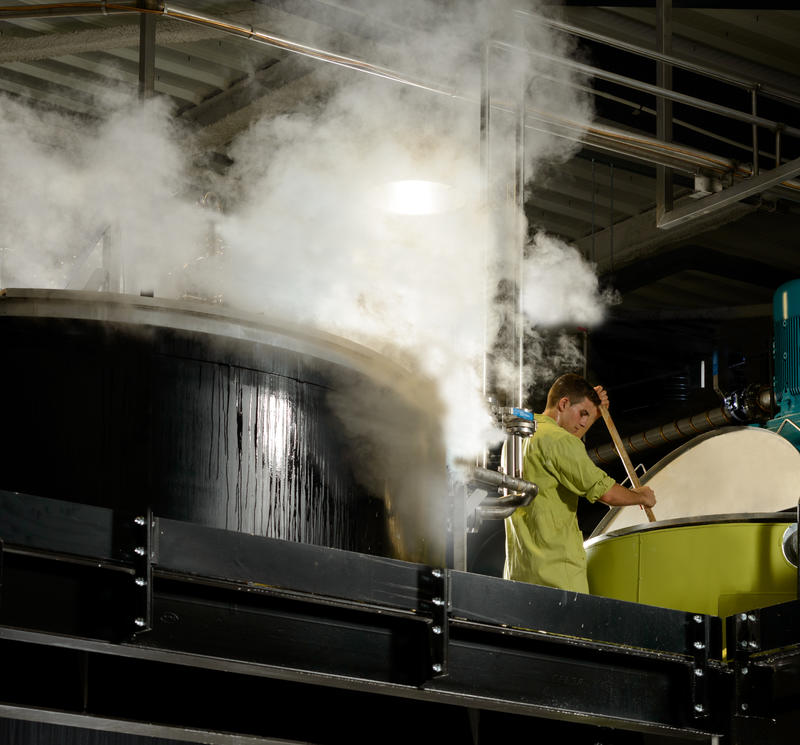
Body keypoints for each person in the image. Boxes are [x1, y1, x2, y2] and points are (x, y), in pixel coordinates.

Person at [503, 373, 656, 594]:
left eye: (589, 418)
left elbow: (566, 448)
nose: (584, 423)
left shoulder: (520, 437)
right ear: (564, 403)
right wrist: (641, 496)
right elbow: (607, 494)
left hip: (518, 577)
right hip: (557, 578)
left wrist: (593, 409)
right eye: (582, 413)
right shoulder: (559, 441)